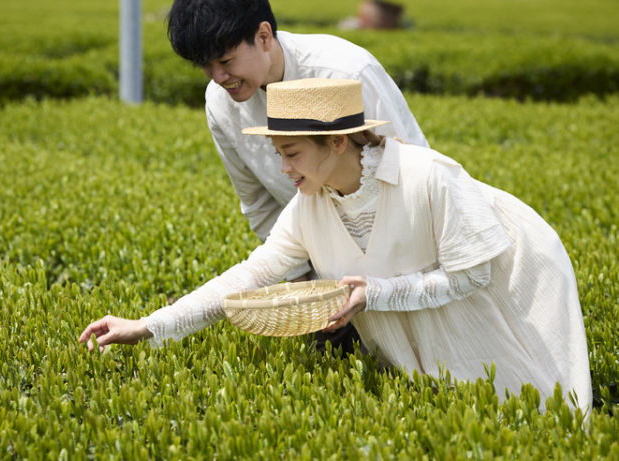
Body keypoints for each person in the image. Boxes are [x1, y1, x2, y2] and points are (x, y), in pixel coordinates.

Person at [79, 78, 592, 414]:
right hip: (427, 323)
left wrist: (378, 293)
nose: (284, 169)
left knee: (536, 412)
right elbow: (249, 276)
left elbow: (473, 275)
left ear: (339, 141)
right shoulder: (309, 207)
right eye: (279, 154)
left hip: (499, 297)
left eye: (293, 153)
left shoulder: (429, 177)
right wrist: (148, 326)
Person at [164, 0, 429, 352]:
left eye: (225, 62)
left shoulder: (344, 71)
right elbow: (258, 203)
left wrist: (382, 290)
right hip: (326, 285)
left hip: (405, 275)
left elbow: (412, 179)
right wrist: (305, 289)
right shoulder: (220, 102)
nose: (218, 77)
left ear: (263, 36)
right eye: (205, 66)